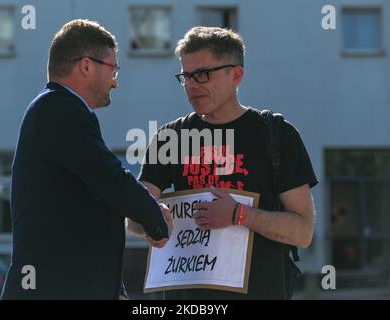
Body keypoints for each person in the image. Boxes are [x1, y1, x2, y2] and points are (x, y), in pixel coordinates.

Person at [136, 26, 318, 299]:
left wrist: (239, 215)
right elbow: (134, 218)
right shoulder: (170, 137)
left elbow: (303, 232)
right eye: (185, 76)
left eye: (202, 74)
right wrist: (151, 219)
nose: (192, 85)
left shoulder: (277, 134)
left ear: (236, 75)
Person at [1, 19, 172, 300]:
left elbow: (87, 205)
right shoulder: (58, 109)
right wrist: (154, 217)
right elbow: (109, 176)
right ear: (86, 65)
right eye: (113, 69)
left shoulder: (59, 111)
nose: (115, 82)